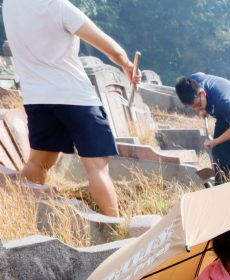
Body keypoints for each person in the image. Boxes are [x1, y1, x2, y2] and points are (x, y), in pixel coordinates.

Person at [2, 0, 141, 217]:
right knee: (96, 168)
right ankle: (116, 229)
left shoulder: (10, 6)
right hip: (76, 97)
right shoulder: (57, 5)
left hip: (37, 99)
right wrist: (127, 65)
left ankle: (23, 215)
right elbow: (111, 49)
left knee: (38, 164)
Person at [175, 73, 230, 184]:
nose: (197, 109)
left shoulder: (222, 101)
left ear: (202, 93)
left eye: (198, 105)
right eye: (193, 107)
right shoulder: (191, 82)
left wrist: (214, 141)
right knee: (221, 155)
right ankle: (223, 187)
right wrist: (203, 108)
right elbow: (201, 74)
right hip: (226, 115)